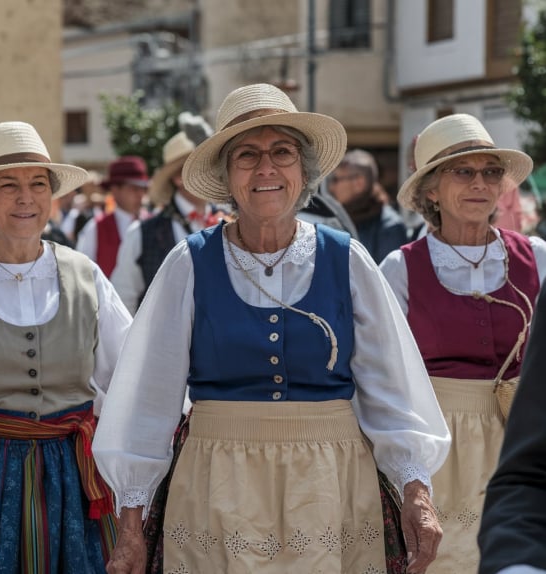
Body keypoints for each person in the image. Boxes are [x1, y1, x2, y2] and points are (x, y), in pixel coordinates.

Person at [92, 82, 450, 574]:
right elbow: (147, 401)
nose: (266, 168)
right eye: (247, 155)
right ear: (225, 176)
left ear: (303, 172)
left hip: (331, 481)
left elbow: (393, 389)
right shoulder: (189, 263)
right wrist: (130, 526)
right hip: (218, 481)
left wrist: (416, 490)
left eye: (282, 151)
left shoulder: (346, 259)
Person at [379, 113, 546, 574]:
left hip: (520, 438)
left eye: (491, 171)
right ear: (430, 189)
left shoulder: (537, 256)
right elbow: (383, 374)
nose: (480, 183)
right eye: (463, 171)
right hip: (438, 443)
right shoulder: (399, 268)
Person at [0, 121, 133, 571]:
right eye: (8, 185)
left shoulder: (86, 275)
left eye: (38, 184)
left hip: (74, 477)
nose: (27, 198)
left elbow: (132, 377)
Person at [111, 128, 226, 315]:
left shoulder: (229, 222)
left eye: (210, 165)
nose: (209, 172)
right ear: (177, 177)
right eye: (199, 167)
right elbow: (123, 302)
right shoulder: (142, 233)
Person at [478, 279, 546, 574]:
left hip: (502, 420)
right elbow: (531, 475)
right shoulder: (399, 266)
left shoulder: (534, 255)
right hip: (448, 439)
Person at [327, 148, 408, 263]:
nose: (332, 187)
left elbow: (386, 279)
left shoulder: (390, 227)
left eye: (336, 179)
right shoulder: (339, 219)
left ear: (359, 183)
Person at [76, 156, 149, 278]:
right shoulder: (95, 227)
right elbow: (82, 273)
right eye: (134, 188)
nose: (140, 194)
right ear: (115, 190)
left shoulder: (157, 225)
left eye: (143, 188)